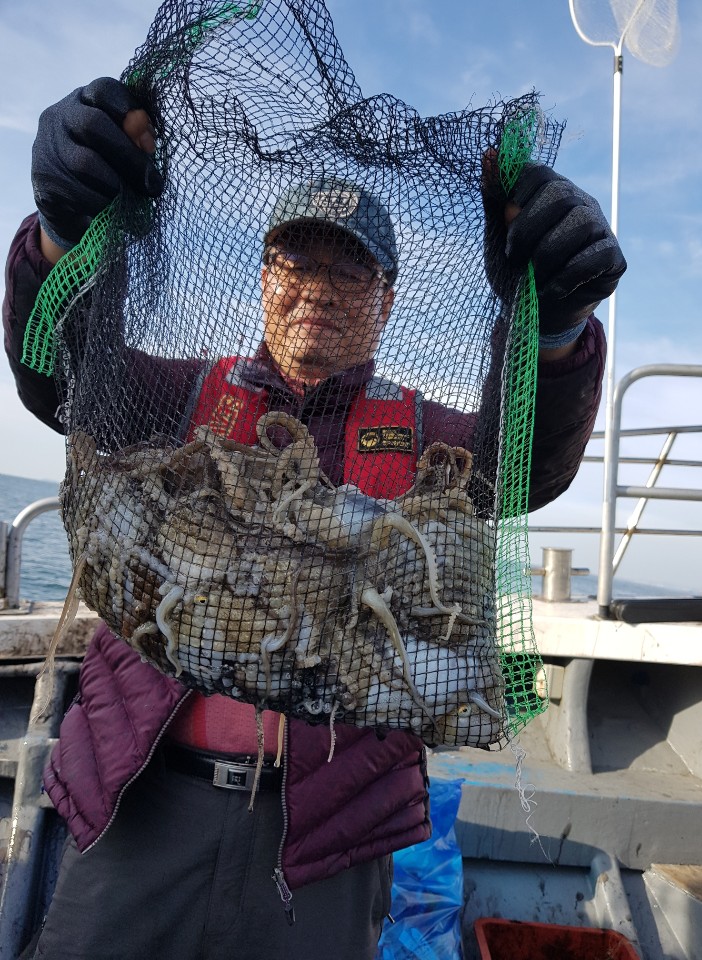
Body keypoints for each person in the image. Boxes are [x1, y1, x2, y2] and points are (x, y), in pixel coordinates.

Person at [3, 77, 625, 960]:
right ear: (263, 280)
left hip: (324, 841)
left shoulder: (423, 435)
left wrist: (556, 332)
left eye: (348, 269)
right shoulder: (179, 394)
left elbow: (524, 465)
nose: (317, 289)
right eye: (296, 262)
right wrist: (61, 236)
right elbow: (60, 372)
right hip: (141, 798)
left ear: (388, 299)